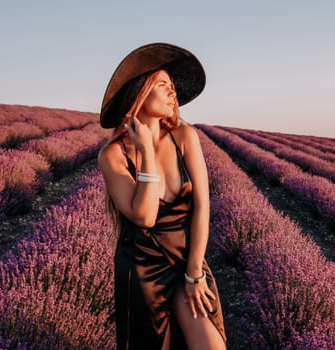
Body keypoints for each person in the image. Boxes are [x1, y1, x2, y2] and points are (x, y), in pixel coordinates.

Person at [97, 42, 227, 349]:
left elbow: (202, 207)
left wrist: (194, 271)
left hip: (187, 261)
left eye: (172, 87)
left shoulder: (185, 137)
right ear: (140, 93)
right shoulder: (112, 155)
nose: (173, 93)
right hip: (142, 268)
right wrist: (146, 151)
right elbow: (145, 216)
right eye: (163, 85)